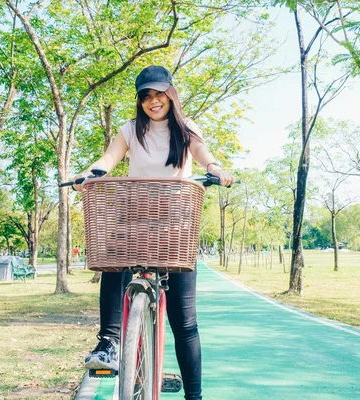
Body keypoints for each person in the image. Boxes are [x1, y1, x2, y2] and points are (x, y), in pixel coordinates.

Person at [73, 65, 235, 400]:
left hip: (175, 226)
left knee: (185, 322)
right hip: (136, 219)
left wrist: (215, 168)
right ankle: (109, 343)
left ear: (171, 94)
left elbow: (204, 155)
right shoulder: (131, 130)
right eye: (146, 95)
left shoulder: (186, 129)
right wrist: (87, 174)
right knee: (113, 260)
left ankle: (194, 396)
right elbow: (108, 159)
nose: (153, 101)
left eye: (159, 93)